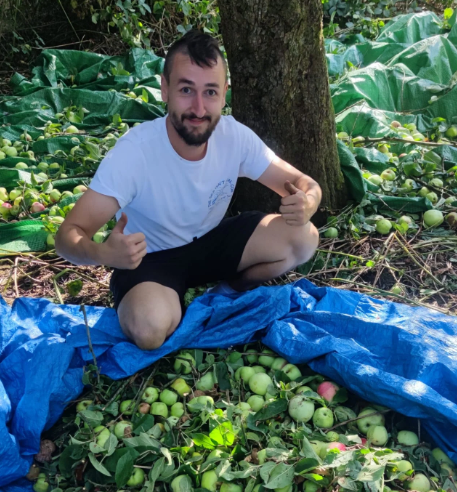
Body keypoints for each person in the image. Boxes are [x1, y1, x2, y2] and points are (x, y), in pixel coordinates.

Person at [55, 29, 322, 350]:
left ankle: (227, 292)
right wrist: (102, 253)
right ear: (165, 89)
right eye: (186, 89)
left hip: (213, 241)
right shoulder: (134, 153)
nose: (198, 107)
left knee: (304, 237)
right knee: (149, 332)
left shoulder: (235, 137)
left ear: (224, 93)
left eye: (210, 92)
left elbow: (307, 185)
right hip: (151, 258)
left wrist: (308, 202)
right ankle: (163, 301)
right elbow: (67, 235)